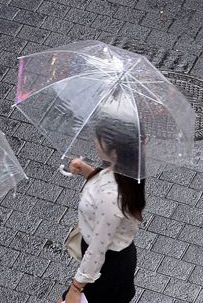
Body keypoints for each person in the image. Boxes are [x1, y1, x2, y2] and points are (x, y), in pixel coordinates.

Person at [59, 117, 146, 303]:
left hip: (106, 269)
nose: (95, 141)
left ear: (113, 151)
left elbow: (97, 249)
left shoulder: (111, 198)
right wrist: (87, 172)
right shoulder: (126, 169)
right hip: (110, 262)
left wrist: (75, 288)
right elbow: (107, 185)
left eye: (99, 139)